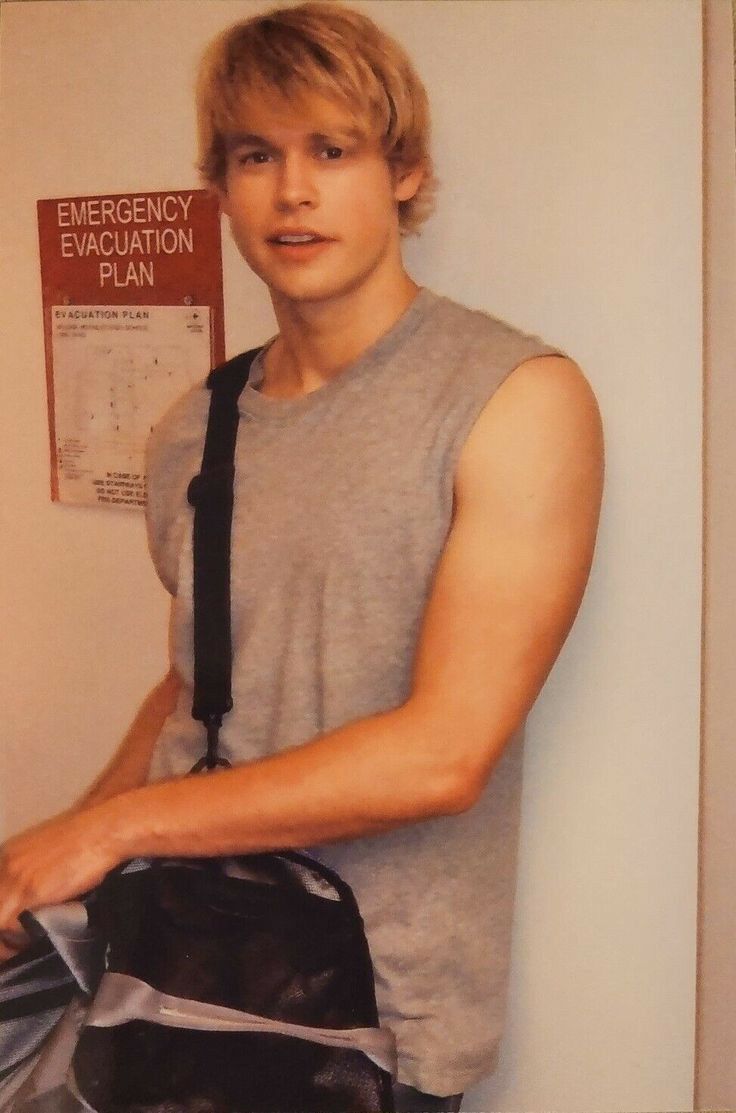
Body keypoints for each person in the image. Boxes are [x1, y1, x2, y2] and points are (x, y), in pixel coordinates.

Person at [0, 3, 604, 1109]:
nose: (292, 192)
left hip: (370, 1018)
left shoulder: (514, 401)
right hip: (172, 975)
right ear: (221, 186)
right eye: (256, 156)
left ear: (405, 173)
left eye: (332, 150)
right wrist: (45, 877)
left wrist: (103, 827)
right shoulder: (197, 422)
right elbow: (195, 684)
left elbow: (442, 755)